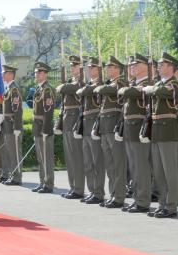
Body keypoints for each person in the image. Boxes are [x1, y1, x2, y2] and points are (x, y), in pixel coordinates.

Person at [144, 52, 178, 218]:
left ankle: (171, 206)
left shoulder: (175, 83)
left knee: (170, 171)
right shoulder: (160, 83)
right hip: (157, 130)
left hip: (168, 130)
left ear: (170, 67)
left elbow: (167, 94)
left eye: (161, 65)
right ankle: (162, 204)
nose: (158, 68)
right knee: (158, 171)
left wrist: (152, 89)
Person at [118, 53, 154, 213]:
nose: (132, 67)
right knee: (133, 167)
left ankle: (143, 200)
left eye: (135, 64)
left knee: (141, 166)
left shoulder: (147, 83)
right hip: (129, 128)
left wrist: (126, 89)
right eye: (131, 65)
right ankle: (137, 198)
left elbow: (127, 93)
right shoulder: (133, 84)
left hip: (139, 127)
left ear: (146, 66)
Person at [94, 56, 128, 208]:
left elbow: (108, 90)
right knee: (110, 164)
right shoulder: (109, 83)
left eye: (109, 67)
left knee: (118, 163)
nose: (107, 70)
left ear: (117, 69)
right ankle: (113, 194)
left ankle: (119, 196)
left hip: (113, 125)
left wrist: (99, 87)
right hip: (105, 126)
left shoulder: (120, 82)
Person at [76, 56, 105, 204]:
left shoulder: (100, 84)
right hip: (86, 124)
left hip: (94, 123)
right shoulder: (88, 84)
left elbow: (84, 92)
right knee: (88, 161)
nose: (90, 70)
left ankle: (99, 192)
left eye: (92, 67)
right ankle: (92, 190)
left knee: (97, 161)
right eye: (89, 68)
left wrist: (83, 88)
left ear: (99, 69)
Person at [55, 56, 84, 199]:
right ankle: (73, 187)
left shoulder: (81, 82)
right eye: (71, 66)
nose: (72, 68)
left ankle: (79, 189)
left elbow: (70, 89)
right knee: (70, 157)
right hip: (67, 120)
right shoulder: (71, 82)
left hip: (74, 119)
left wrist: (62, 87)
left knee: (77, 157)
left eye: (75, 66)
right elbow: (63, 104)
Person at [31, 62, 56, 194]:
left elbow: (49, 111)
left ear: (46, 74)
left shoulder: (47, 89)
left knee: (47, 158)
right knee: (41, 157)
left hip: (44, 128)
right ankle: (42, 182)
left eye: (40, 72)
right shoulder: (39, 89)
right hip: (37, 127)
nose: (37, 74)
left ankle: (48, 184)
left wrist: (46, 130)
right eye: (36, 72)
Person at [0, 65, 24, 186]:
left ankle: (17, 177)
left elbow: (18, 110)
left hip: (13, 124)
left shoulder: (14, 89)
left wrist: (17, 127)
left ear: (11, 74)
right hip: (7, 124)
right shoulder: (9, 89)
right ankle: (12, 175)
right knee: (10, 152)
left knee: (15, 153)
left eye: (5, 73)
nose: (3, 75)